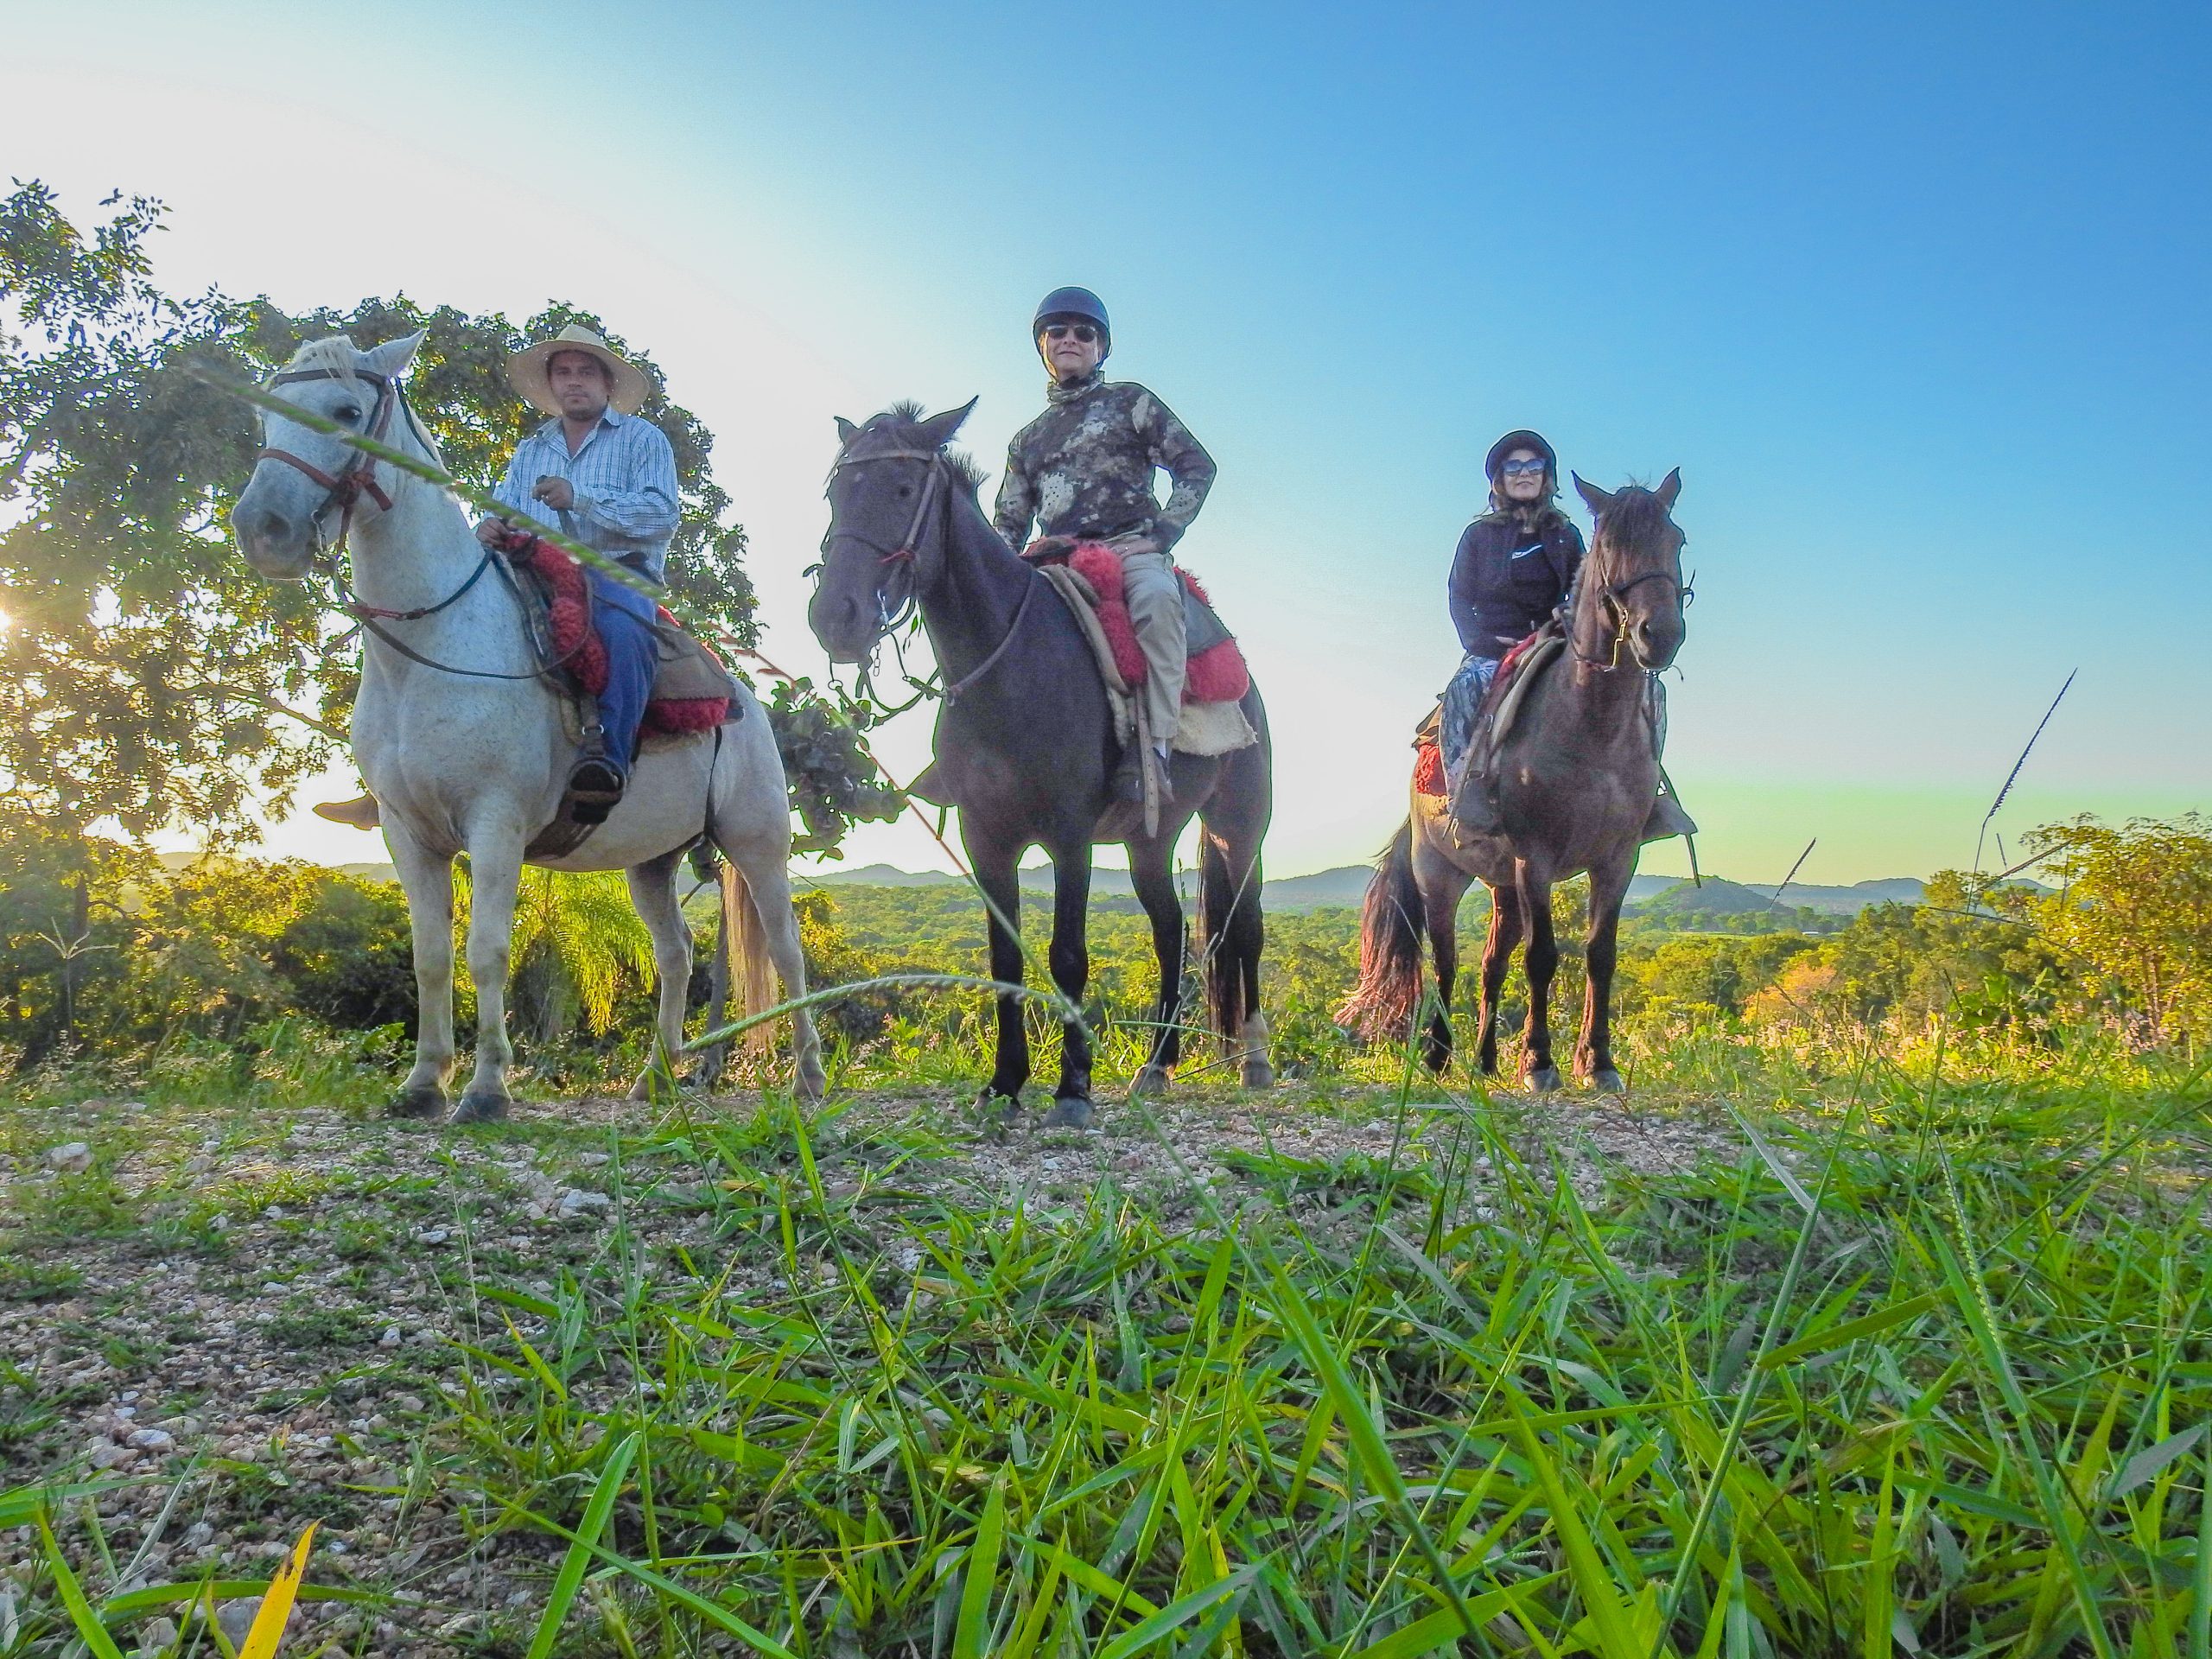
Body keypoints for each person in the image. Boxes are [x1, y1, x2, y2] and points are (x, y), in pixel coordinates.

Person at [315, 323, 679, 830]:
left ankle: (608, 761)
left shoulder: (643, 439)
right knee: (431, 628)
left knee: (622, 630)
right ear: (551, 384)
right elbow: (506, 507)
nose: (575, 381)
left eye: (586, 372)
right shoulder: (533, 448)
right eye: (564, 372)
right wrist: (491, 526)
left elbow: (662, 515)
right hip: (528, 565)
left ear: (608, 383)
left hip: (613, 573)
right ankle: (393, 780)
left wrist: (582, 499)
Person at [992, 286, 1216, 802]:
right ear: (1043, 346)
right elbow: (1008, 524)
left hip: (1128, 548)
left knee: (1159, 604)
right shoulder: (1026, 440)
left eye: (1084, 332)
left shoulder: (1131, 402)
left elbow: (1196, 467)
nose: (1070, 338)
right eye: (1058, 331)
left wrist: (1160, 535)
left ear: (1100, 348)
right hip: (1053, 561)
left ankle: (1155, 750)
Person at [1440, 429, 1584, 772]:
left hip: (1556, 642)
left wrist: (1570, 612)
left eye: (1534, 465)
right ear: (1500, 480)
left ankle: (1647, 789)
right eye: (1513, 467)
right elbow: (1459, 596)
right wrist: (1481, 641)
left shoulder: (1567, 535)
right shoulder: (1478, 536)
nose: (1524, 473)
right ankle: (1462, 784)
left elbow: (1584, 589)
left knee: (1646, 692)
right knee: (1464, 687)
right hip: (1494, 646)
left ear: (1546, 476)